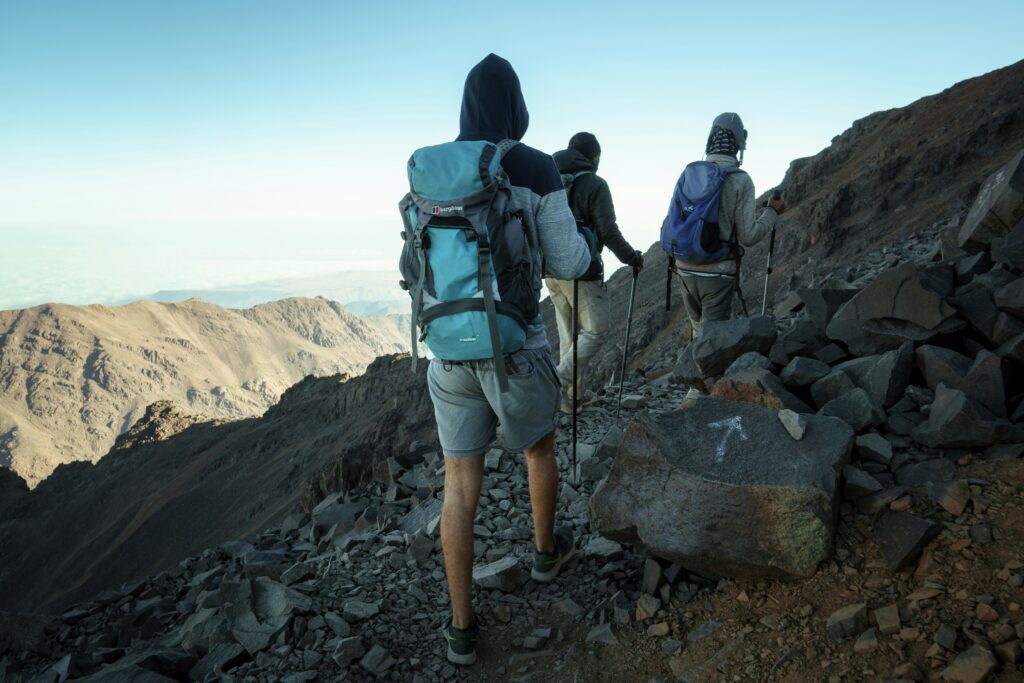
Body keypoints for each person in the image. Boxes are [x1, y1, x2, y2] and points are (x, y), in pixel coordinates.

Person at [424, 54, 591, 666]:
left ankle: (462, 630)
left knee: (459, 486)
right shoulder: (535, 166)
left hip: (446, 354)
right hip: (517, 345)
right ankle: (547, 553)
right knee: (537, 448)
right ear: (516, 104)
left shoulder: (434, 173)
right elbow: (569, 262)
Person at [671, 113, 785, 401]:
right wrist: (771, 212)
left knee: (699, 333)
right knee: (712, 346)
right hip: (717, 272)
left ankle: (694, 395)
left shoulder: (689, 173)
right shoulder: (740, 180)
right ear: (739, 143)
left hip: (684, 267)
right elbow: (748, 236)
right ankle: (697, 406)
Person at [544, 133, 644, 411]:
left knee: (568, 334)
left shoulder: (549, 179)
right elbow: (607, 230)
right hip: (580, 269)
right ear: (595, 158)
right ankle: (555, 383)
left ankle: (571, 397)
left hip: (549, 270)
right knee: (595, 331)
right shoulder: (595, 184)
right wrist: (632, 258)